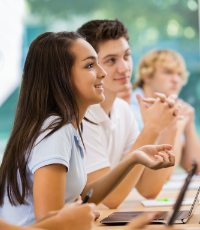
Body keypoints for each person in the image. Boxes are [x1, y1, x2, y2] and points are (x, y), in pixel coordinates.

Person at [0, 31, 174, 226]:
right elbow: (49, 221)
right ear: (61, 77)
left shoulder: (68, 126)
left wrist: (133, 159)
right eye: (90, 65)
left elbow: (85, 195)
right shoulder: (55, 130)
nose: (103, 73)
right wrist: (77, 217)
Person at [77, 19, 181, 209]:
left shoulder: (122, 110)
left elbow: (148, 189)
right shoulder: (81, 116)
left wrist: (169, 126)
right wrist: (152, 127)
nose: (124, 68)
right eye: (111, 60)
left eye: (126, 56)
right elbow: (110, 199)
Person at [130, 49, 200, 174]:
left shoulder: (173, 107)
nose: (176, 79)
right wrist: (178, 123)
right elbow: (161, 174)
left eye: (179, 74)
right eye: (168, 72)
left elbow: (195, 167)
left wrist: (189, 124)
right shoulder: (131, 109)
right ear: (146, 76)